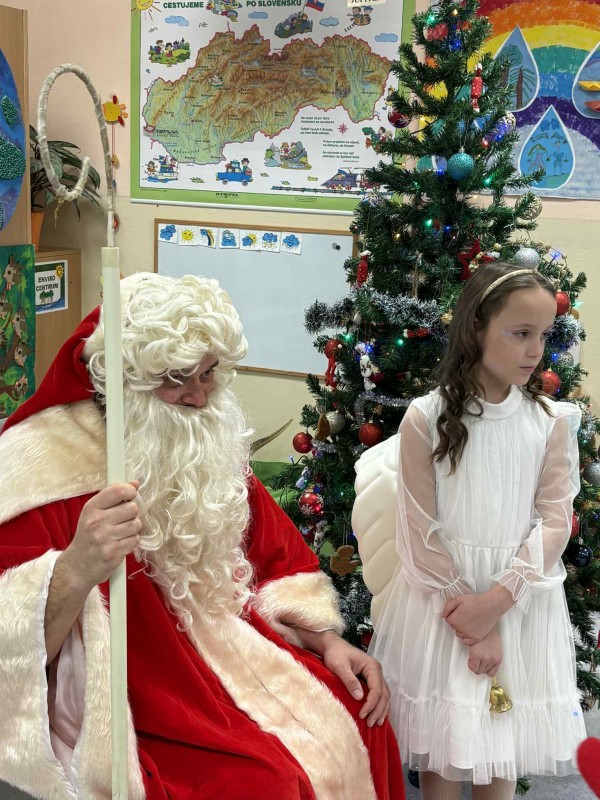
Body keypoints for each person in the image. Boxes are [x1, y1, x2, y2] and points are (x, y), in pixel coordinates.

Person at [0, 273, 404, 800]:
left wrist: (328, 640)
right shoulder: (39, 468)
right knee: (265, 785)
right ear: (123, 381)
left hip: (236, 653)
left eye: (208, 373)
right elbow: (12, 647)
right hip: (134, 699)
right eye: (176, 378)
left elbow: (279, 559)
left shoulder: (201, 440)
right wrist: (76, 567)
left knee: (361, 719)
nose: (197, 397)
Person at [366, 262, 586, 799]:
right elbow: (419, 531)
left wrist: (497, 602)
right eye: (520, 333)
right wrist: (473, 620)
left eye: (543, 335)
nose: (535, 350)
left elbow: (555, 519)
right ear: (476, 329)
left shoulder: (550, 422)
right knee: (444, 742)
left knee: (500, 740)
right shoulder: (426, 417)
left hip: (517, 600)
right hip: (443, 602)